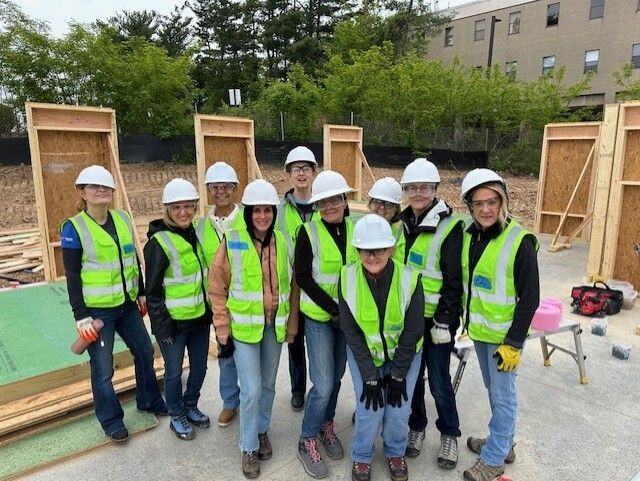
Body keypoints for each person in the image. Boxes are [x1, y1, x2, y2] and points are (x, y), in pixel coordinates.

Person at [61, 165, 166, 442]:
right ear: (82, 192)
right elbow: (72, 276)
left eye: (105, 186)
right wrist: (81, 316)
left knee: (145, 350)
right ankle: (111, 419)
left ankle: (149, 400)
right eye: (94, 186)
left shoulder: (122, 218)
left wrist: (141, 292)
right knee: (103, 368)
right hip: (97, 312)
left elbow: (133, 259)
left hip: (127, 305)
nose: (101, 190)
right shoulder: (74, 228)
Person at [209, 179, 299, 479]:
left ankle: (261, 430)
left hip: (274, 327)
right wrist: (222, 330)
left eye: (268, 210)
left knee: (270, 386)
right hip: (244, 331)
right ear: (248, 212)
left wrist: (291, 324)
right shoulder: (232, 240)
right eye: (256, 210)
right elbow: (217, 288)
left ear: (274, 212)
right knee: (251, 389)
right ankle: (248, 447)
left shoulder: (283, 241)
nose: (262, 216)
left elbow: (292, 286)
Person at [459, 169, 539, 481]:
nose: (486, 209)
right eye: (478, 204)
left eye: (492, 201)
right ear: (470, 207)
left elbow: (530, 298)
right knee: (495, 393)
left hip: (505, 338)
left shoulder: (520, 241)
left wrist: (514, 343)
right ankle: (503, 443)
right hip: (481, 333)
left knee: (503, 397)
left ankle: (493, 459)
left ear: (503, 201)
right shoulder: (472, 236)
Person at [340, 214, 425, 481]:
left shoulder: (409, 279)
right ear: (357, 250)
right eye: (366, 250)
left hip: (404, 354)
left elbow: (412, 331)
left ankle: (394, 452)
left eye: (379, 249)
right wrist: (370, 377)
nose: (372, 256)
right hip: (366, 354)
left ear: (391, 249)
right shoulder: (347, 278)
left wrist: (398, 375)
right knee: (370, 407)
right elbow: (352, 333)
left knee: (399, 409)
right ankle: (362, 456)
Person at [399, 158, 464, 469]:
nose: (418, 193)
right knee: (413, 379)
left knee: (438, 381)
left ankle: (449, 433)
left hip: (437, 321)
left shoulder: (448, 227)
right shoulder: (403, 225)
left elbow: (453, 282)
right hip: (410, 320)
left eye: (424, 187)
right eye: (412, 188)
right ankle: (417, 426)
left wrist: (444, 321)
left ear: (435, 189)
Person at [296, 170, 357, 479]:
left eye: (335, 199)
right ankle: (307, 438)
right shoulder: (308, 232)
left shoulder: (356, 229)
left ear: (345, 200)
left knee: (336, 379)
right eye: (323, 202)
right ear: (316, 205)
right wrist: (333, 309)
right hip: (320, 319)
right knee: (322, 383)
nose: (330, 206)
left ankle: (326, 424)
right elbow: (304, 277)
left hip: (347, 320)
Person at [144, 178, 211, 441]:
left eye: (188, 206)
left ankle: (190, 404)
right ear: (167, 210)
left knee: (200, 368)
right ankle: (176, 414)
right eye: (176, 207)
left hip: (199, 320)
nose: (183, 212)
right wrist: (162, 326)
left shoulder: (196, 234)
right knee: (173, 372)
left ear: (195, 207)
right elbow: (153, 291)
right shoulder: (158, 244)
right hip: (173, 324)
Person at [197, 161, 246, 428]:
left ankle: (252, 400)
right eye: (215, 187)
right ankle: (230, 402)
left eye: (226, 186)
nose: (221, 191)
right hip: (219, 304)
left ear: (235, 189)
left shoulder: (247, 220)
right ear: (208, 190)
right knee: (225, 353)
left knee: (249, 356)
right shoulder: (202, 227)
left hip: (245, 302)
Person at [276, 146, 318, 412]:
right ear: (289, 175)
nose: (301, 174)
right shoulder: (280, 211)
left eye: (306, 168)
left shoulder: (327, 205)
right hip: (292, 289)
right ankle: (297, 389)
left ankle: (320, 389)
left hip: (319, 288)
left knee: (319, 344)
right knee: (294, 341)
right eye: (295, 169)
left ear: (314, 172)